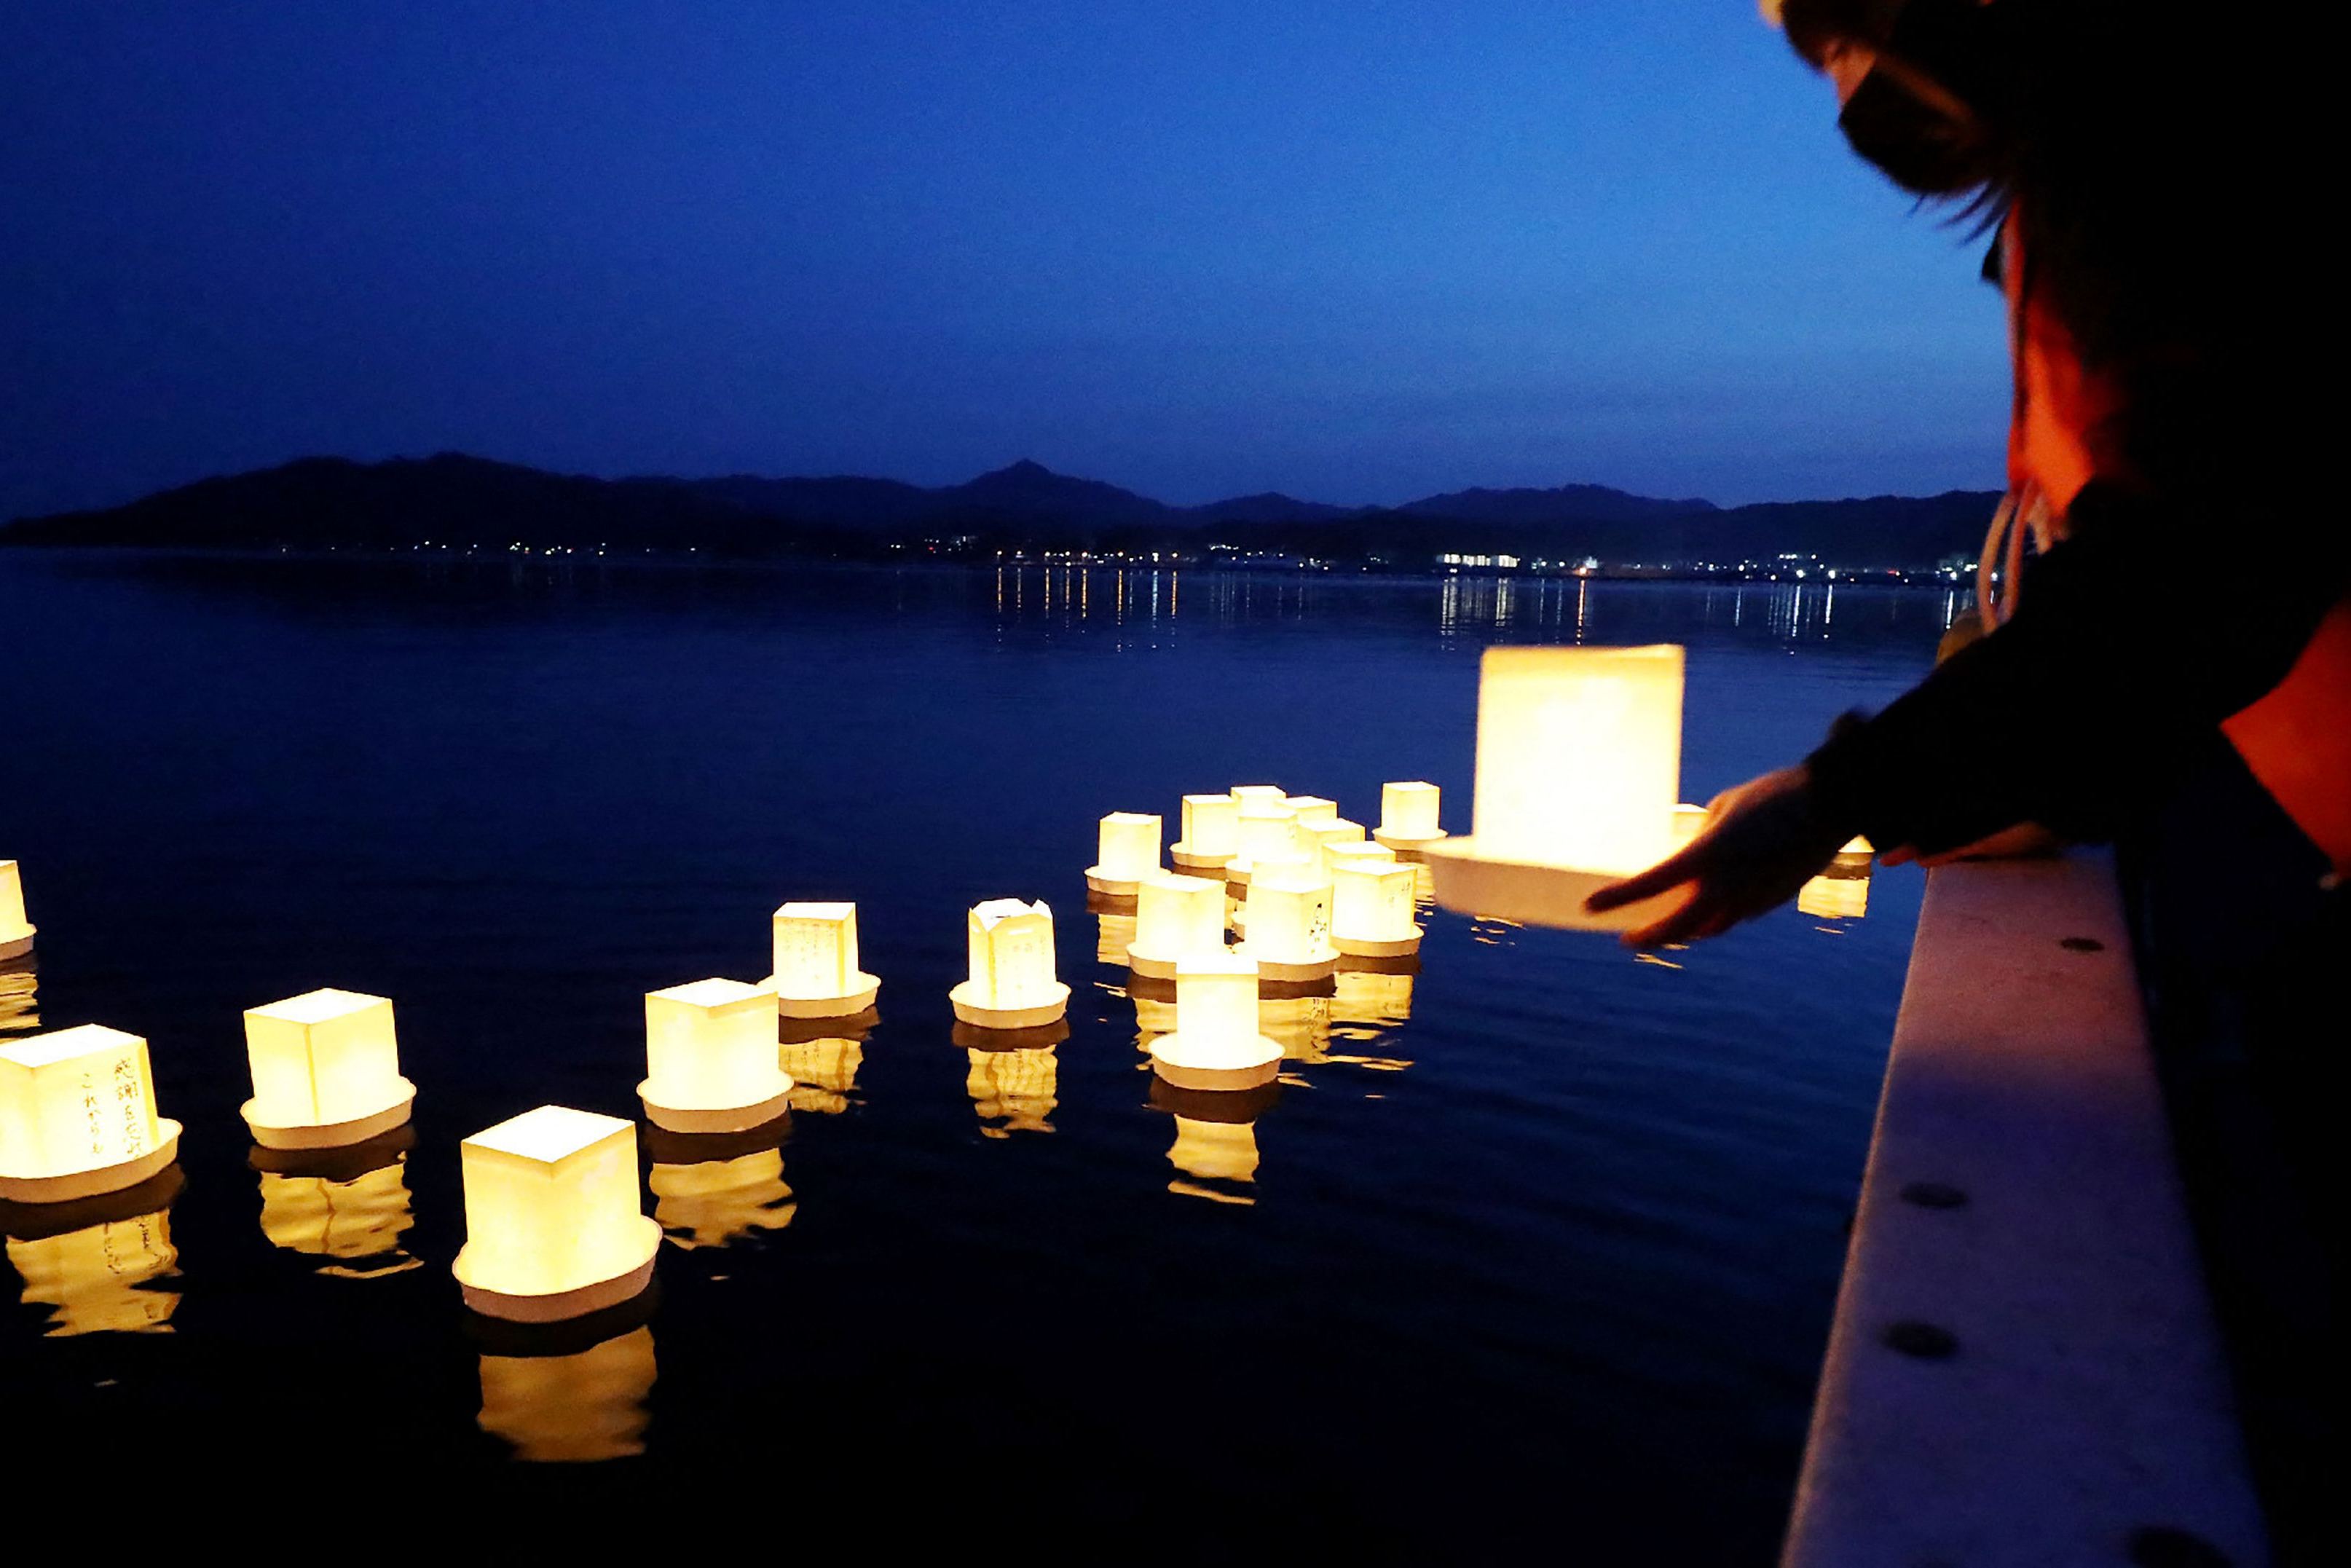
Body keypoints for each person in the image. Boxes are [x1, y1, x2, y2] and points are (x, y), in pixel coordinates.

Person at [1594, 7, 2345, 1556]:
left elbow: (2199, 565)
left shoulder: (2177, 177)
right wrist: (2040, 782)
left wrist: (1836, 796)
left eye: (1833, 40)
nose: (1844, 97)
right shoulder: (2095, 201)